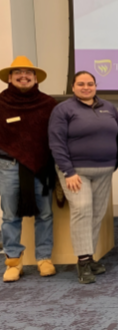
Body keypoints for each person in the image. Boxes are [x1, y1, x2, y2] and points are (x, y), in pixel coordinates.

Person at [49, 71, 118, 284]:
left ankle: (89, 258)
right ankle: (82, 261)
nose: (86, 87)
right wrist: (68, 171)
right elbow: (56, 143)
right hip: (76, 173)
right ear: (73, 87)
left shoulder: (109, 108)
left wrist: (114, 162)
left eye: (90, 84)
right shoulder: (63, 110)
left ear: (96, 86)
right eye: (81, 84)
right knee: (82, 210)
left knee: (97, 214)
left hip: (104, 171)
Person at [0, 56, 57, 282]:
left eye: (28, 73)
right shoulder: (1, 103)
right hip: (8, 166)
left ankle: (44, 258)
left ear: (35, 78)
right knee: (10, 215)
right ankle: (13, 261)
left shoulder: (48, 104)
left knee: (45, 214)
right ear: (10, 78)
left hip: (41, 166)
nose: (23, 76)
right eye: (18, 73)